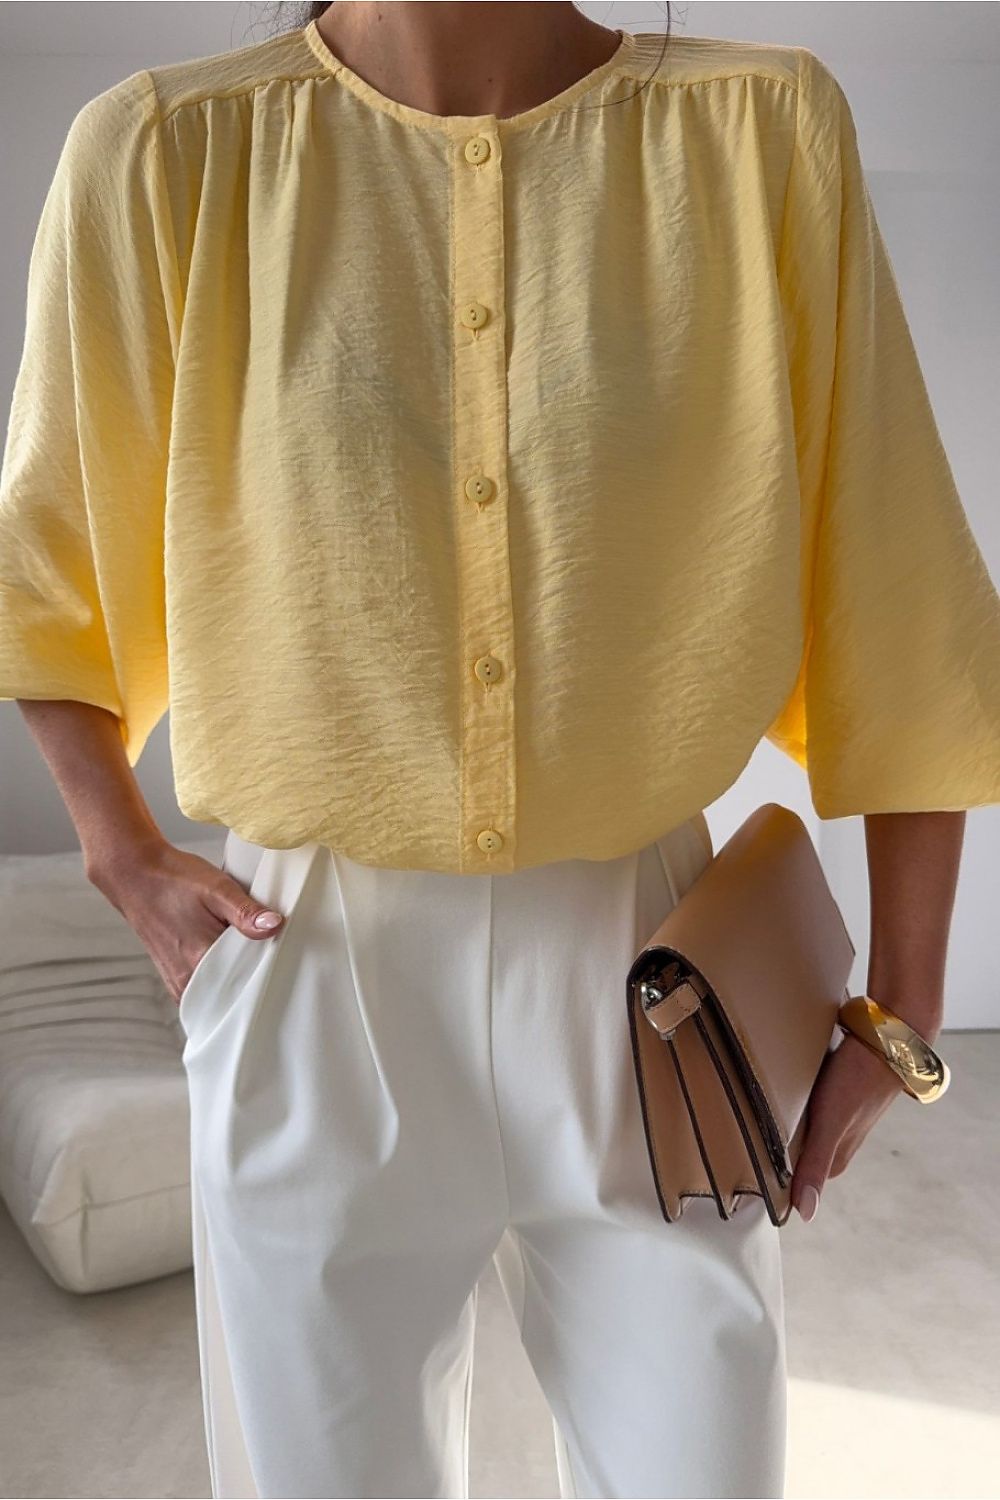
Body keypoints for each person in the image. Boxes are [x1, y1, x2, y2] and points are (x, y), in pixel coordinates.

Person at [1, 3, 998, 1496]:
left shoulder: (759, 134)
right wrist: (116, 847)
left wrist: (905, 997)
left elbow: (896, 584)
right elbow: (49, 575)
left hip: (660, 969)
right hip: (308, 969)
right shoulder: (163, 155)